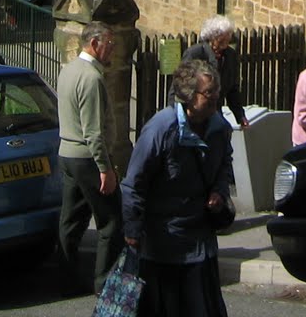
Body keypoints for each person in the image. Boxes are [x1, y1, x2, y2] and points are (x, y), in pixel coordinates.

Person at [121, 58, 234, 317]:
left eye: (217, 90)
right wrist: (133, 232)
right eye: (209, 92)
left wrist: (219, 191)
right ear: (188, 96)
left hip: (201, 245)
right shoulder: (160, 130)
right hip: (163, 249)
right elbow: (133, 184)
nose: (216, 96)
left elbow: (225, 164)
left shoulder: (219, 128)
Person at [56, 21, 121, 294]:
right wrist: (105, 169)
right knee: (112, 221)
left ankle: (66, 281)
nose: (112, 50)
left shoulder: (68, 70)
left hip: (67, 155)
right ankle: (104, 283)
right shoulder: (91, 78)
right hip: (87, 158)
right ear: (94, 44)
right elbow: (93, 131)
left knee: (71, 221)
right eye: (109, 44)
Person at [183, 15, 249, 128]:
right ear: (211, 38)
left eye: (227, 42)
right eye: (220, 41)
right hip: (193, 114)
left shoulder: (230, 56)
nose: (223, 46)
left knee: (224, 131)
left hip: (214, 113)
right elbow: (180, 86)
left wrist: (240, 116)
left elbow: (232, 89)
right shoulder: (195, 54)